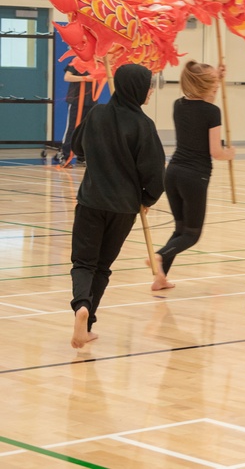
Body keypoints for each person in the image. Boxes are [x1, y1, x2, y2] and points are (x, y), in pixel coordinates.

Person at [69, 64, 165, 349]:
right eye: (148, 85)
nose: (150, 91)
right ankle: (89, 320)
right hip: (123, 208)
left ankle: (81, 307)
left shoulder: (96, 113)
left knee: (84, 263)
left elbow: (78, 146)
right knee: (102, 267)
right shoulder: (143, 125)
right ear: (135, 88)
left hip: (90, 201)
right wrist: (147, 199)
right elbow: (156, 176)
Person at [151, 61, 236, 291]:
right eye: (214, 82)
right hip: (195, 177)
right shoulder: (212, 111)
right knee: (191, 235)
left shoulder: (178, 105)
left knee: (180, 230)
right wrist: (229, 154)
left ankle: (160, 278)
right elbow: (215, 152)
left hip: (173, 173)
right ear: (207, 86)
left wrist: (215, 77)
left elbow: (201, 98)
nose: (217, 86)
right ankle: (159, 256)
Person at [57, 63, 97, 166]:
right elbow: (67, 77)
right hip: (76, 101)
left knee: (87, 129)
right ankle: (65, 155)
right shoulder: (76, 61)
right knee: (72, 128)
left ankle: (82, 157)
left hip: (91, 101)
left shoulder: (98, 62)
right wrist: (84, 78)